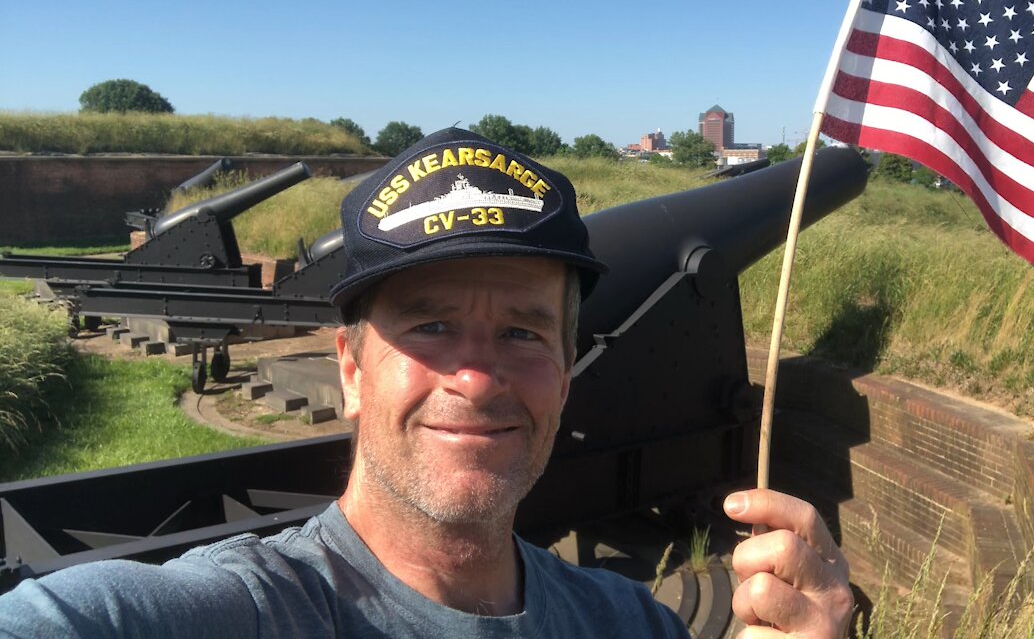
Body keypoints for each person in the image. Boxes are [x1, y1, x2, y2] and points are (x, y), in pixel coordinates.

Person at [0, 128, 853, 637]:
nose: (477, 376)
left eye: (523, 331)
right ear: (351, 369)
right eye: (429, 325)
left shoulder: (631, 625)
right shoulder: (242, 612)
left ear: (565, 371)